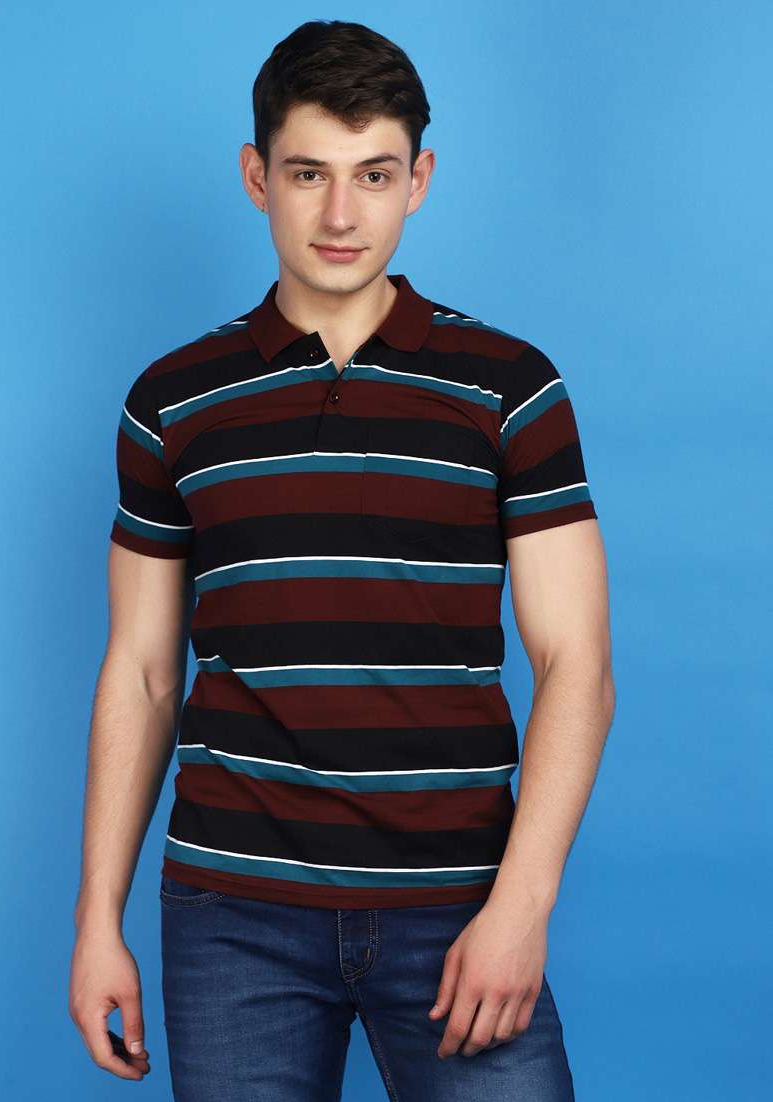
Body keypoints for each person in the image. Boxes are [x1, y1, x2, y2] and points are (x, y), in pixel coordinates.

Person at [69, 18, 614, 1101]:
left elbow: (576, 666)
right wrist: (97, 919)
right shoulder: (172, 401)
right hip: (232, 913)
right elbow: (140, 671)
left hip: (458, 900)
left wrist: (521, 905)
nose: (338, 215)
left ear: (418, 181)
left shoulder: (509, 388)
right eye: (307, 173)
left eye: (372, 175)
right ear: (255, 176)